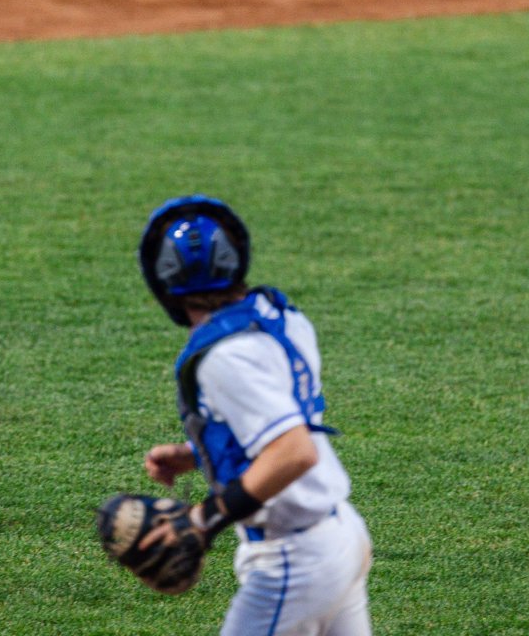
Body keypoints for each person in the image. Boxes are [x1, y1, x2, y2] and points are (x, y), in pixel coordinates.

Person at [136, 194, 373, 633]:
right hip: (340, 534)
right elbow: (283, 418)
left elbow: (295, 452)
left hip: (295, 563)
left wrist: (203, 519)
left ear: (162, 282)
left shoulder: (224, 356)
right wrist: (199, 452)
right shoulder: (276, 314)